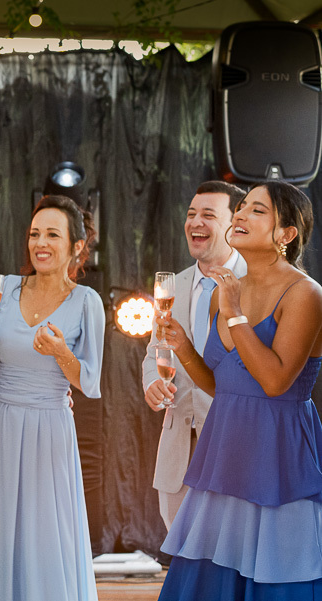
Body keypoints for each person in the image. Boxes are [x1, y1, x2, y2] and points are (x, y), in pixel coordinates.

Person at [157, 181, 322, 599]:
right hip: (225, 452)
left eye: (257, 211)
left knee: (278, 577)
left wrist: (233, 315)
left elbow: (274, 381)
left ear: (287, 234)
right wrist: (183, 347)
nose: (242, 215)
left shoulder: (306, 294)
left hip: (278, 455)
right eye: (243, 207)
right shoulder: (224, 293)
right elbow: (221, 385)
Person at [0, 195, 103, 601]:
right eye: (34, 234)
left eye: (52, 235)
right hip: (2, 422)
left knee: (48, 533)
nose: (40, 243)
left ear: (76, 246)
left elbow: (91, 384)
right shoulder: (4, 288)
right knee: (1, 529)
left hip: (50, 428)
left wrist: (63, 353)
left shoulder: (86, 302)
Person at [141, 181, 247, 529]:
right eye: (190, 214)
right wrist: (154, 381)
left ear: (235, 223)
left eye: (208, 215)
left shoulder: (255, 285)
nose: (195, 222)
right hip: (178, 450)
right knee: (183, 556)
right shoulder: (171, 286)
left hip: (236, 448)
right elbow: (155, 350)